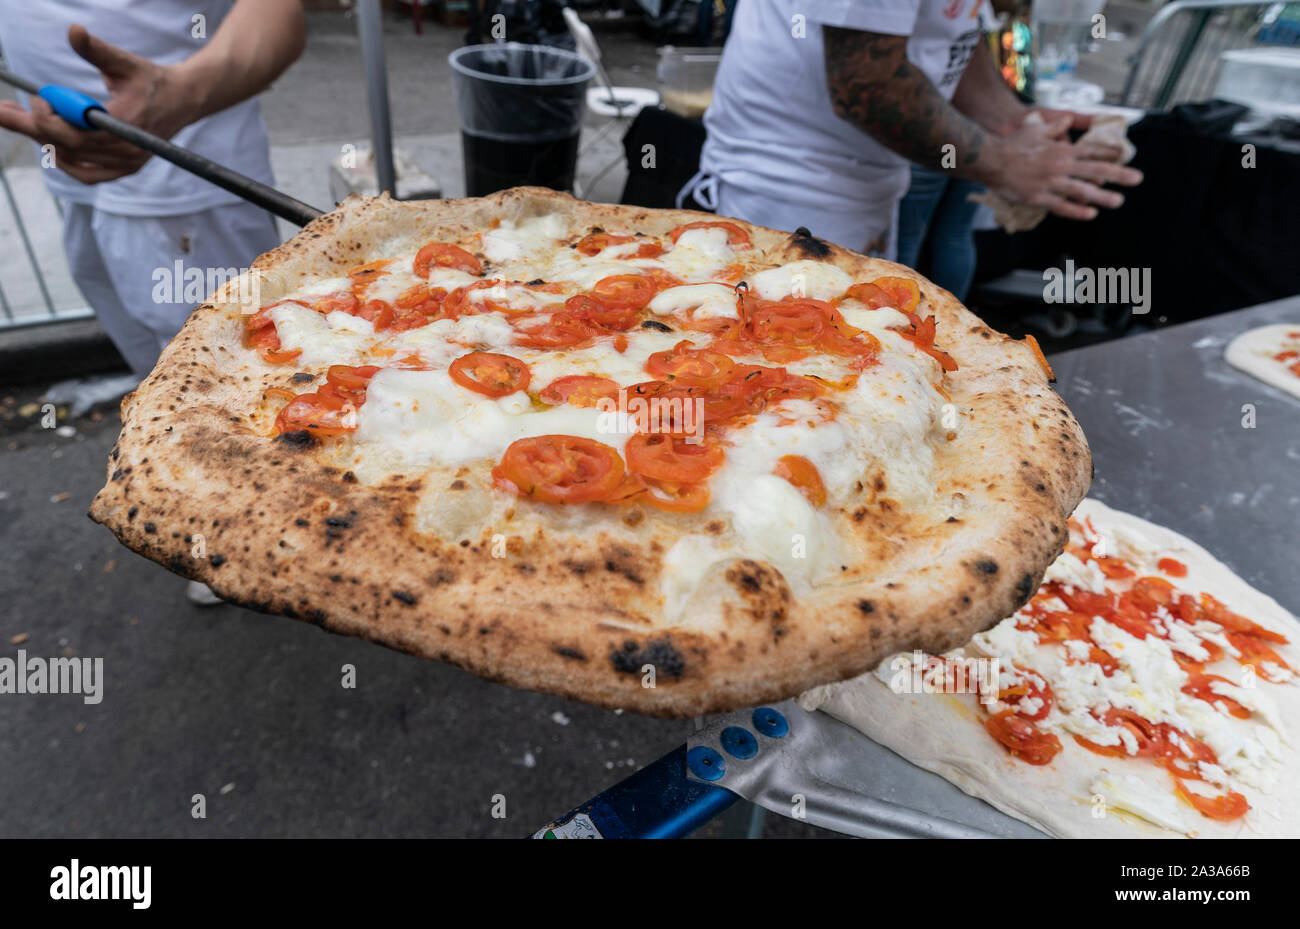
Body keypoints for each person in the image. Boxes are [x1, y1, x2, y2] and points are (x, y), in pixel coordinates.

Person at [0, 0, 306, 604]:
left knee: (243, 392)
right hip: (72, 176)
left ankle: (260, 537)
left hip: (187, 188)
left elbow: (281, 10)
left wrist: (183, 92)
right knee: (160, 373)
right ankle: (213, 509)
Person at [689, 0, 1142, 259]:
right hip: (785, 186)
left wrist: (1014, 121)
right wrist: (1007, 166)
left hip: (868, 181)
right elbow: (867, 82)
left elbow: (952, 31)